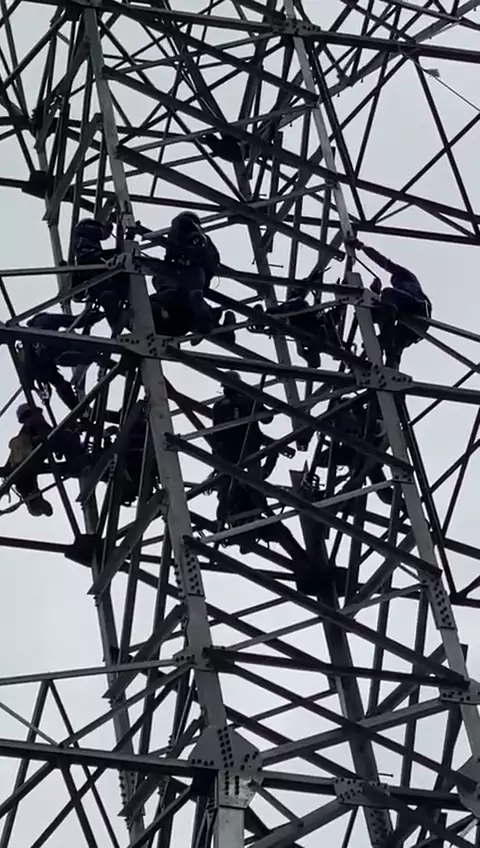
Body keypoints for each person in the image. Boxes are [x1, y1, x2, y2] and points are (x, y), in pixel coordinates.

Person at [150, 212, 235, 343]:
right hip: (179, 304)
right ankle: (214, 326)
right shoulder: (202, 242)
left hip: (183, 290)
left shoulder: (187, 229)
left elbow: (175, 255)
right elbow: (211, 262)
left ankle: (211, 324)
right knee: (191, 304)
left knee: (192, 300)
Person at [354, 240, 432, 367]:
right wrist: (375, 291)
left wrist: (362, 247)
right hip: (410, 328)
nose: (394, 283)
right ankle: (390, 367)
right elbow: (383, 309)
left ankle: (386, 338)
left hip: (418, 309)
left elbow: (383, 261)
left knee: (388, 293)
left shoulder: (407, 278)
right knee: (395, 348)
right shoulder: (399, 297)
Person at [2, 404, 85, 516]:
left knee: (25, 481)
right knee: (68, 437)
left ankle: (33, 499)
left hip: (26, 467)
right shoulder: (33, 425)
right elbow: (52, 435)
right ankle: (77, 463)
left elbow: (12, 461)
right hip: (30, 460)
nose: (41, 415)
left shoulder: (28, 430)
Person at [314, 400, 394, 506]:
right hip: (355, 453)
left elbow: (377, 431)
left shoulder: (366, 417)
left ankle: (404, 503)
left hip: (365, 454)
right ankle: (404, 503)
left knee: (385, 495)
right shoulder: (346, 421)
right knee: (384, 495)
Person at [250, 294, 344, 368]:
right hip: (303, 320)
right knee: (320, 327)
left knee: (320, 326)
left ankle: (338, 311)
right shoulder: (317, 339)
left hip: (301, 318)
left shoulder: (316, 339)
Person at [72, 216, 130, 333]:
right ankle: (116, 321)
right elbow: (103, 233)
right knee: (113, 285)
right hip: (94, 263)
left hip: (91, 267)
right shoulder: (83, 229)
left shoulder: (82, 240)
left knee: (105, 292)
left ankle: (116, 321)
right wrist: (109, 225)